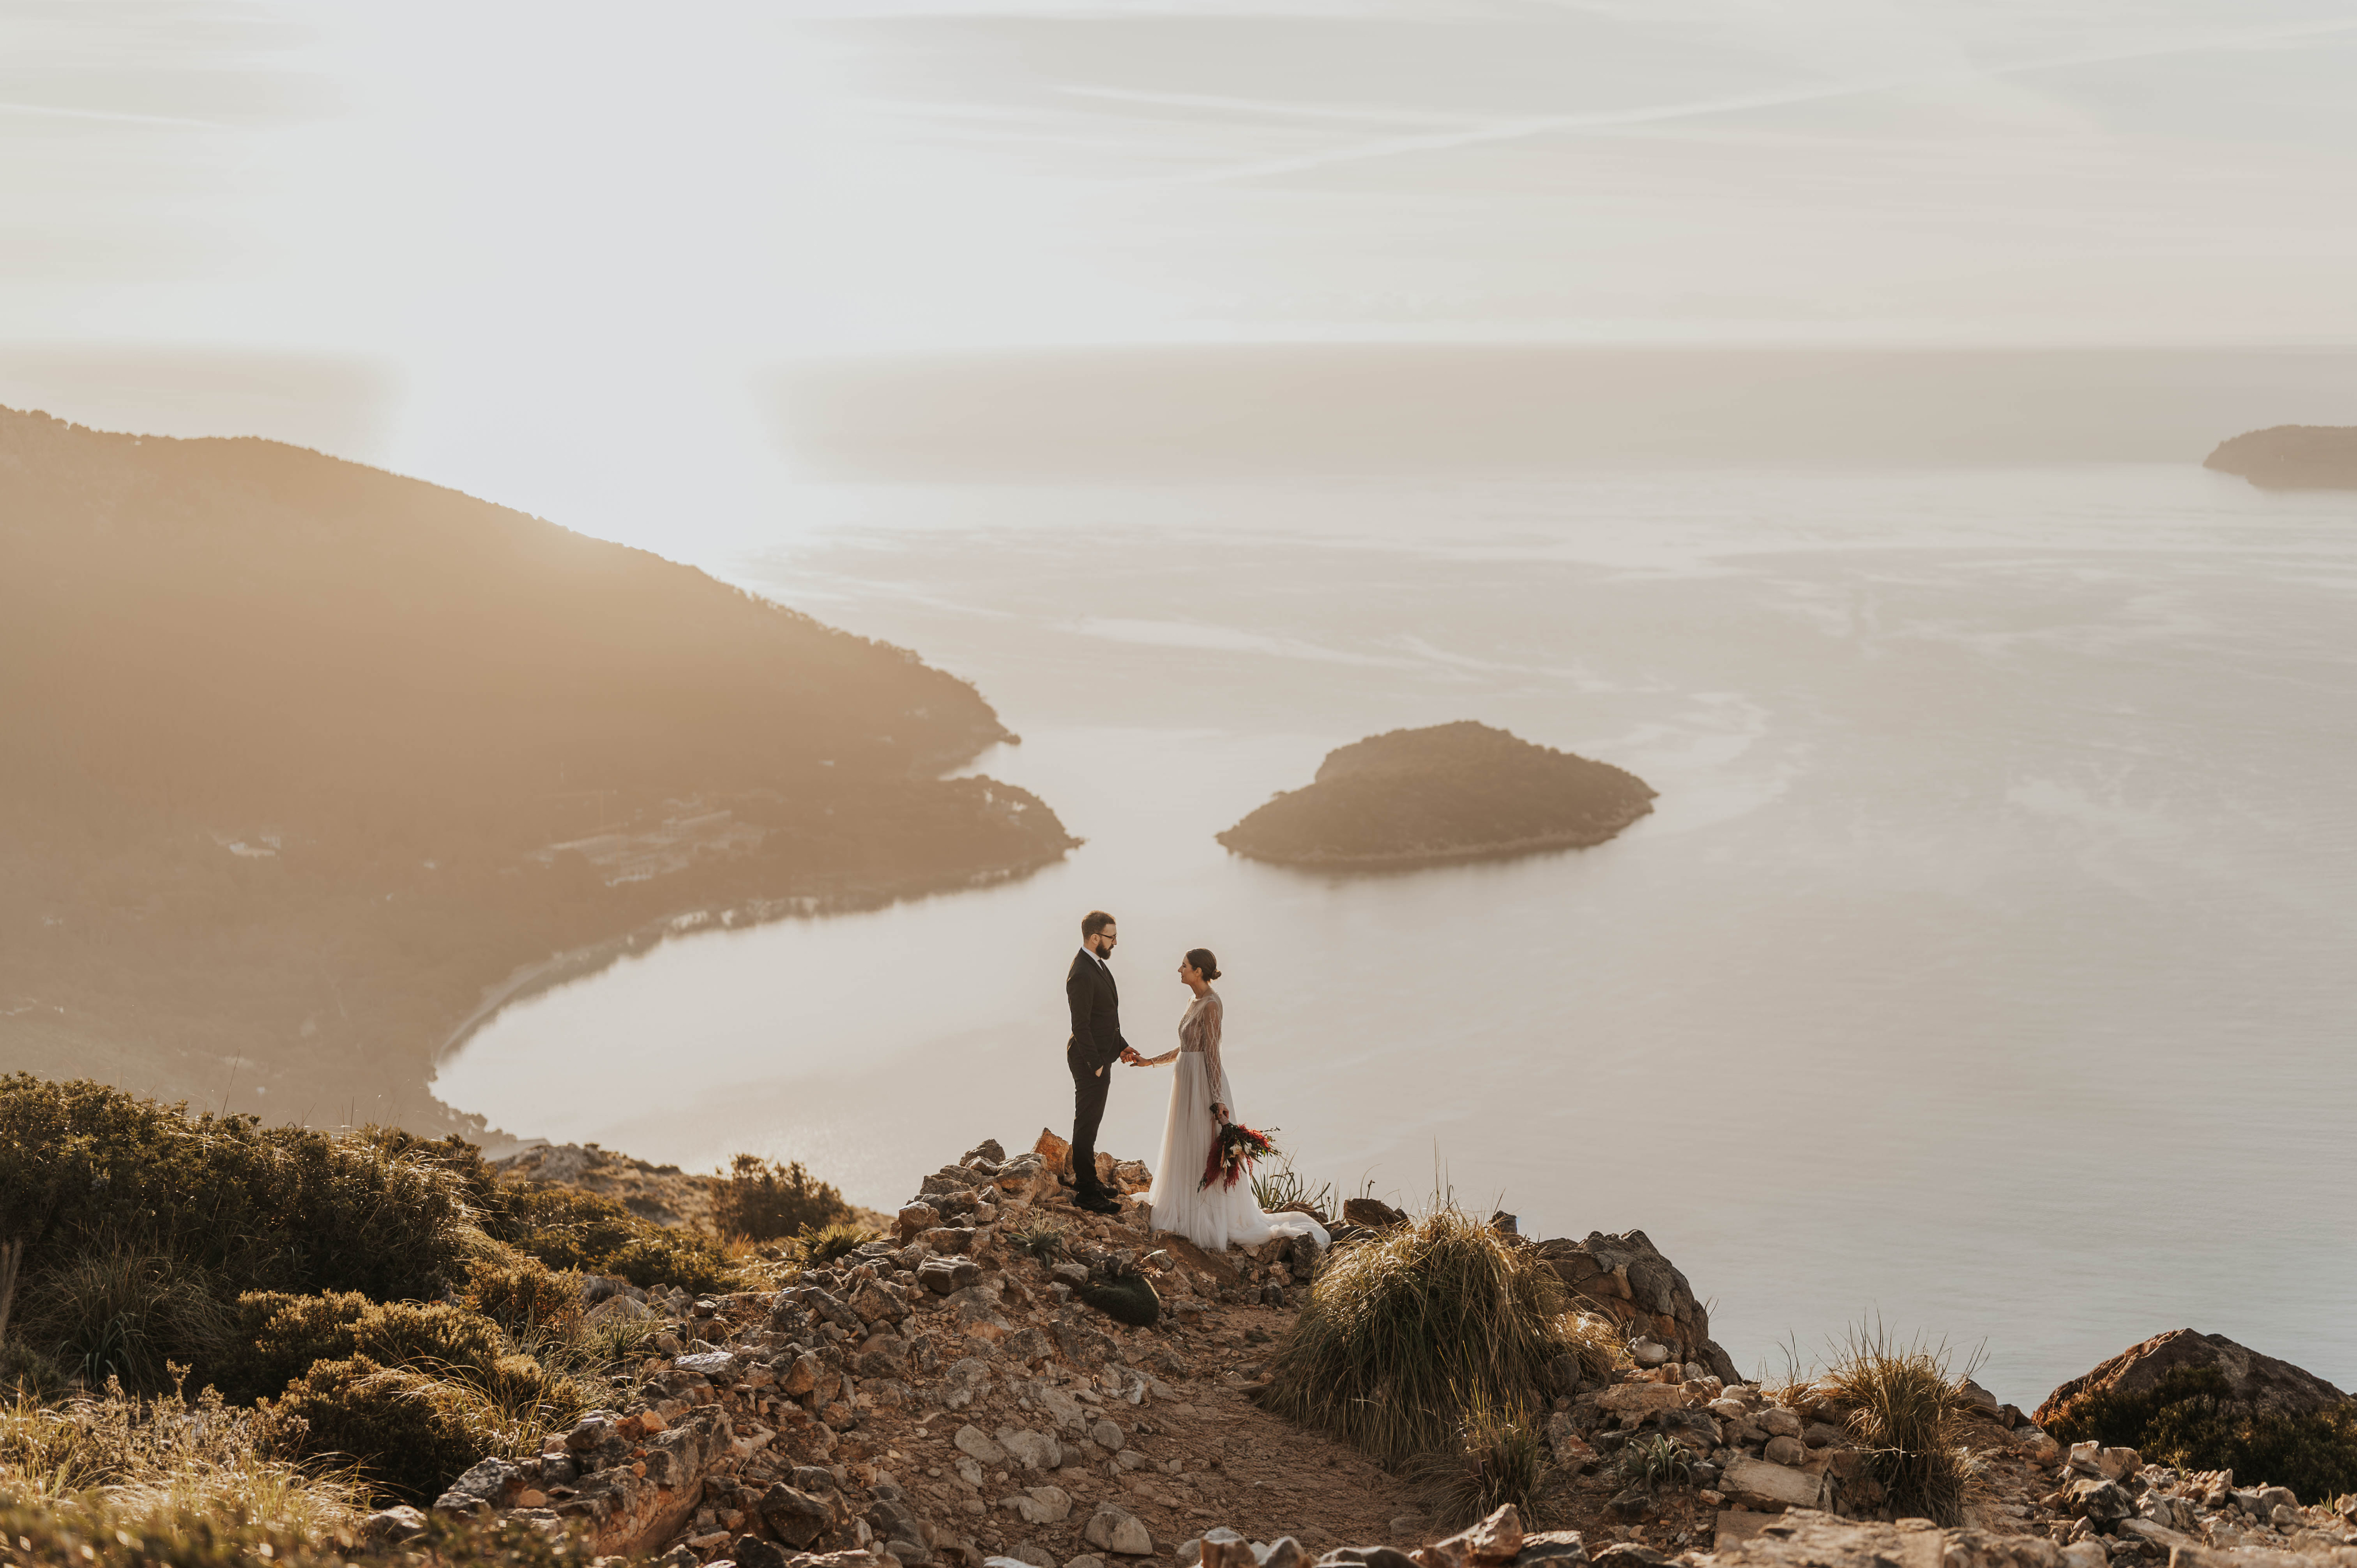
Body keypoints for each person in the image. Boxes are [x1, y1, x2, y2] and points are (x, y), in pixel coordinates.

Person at [1133, 947, 1329, 1253]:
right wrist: (1150, 1063)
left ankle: (1207, 1215)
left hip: (1203, 1086)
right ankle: (1183, 1204)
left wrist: (1218, 1100)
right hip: (1186, 1083)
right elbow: (1186, 1047)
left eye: (1184, 966)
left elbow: (1212, 1054)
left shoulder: (1212, 1005)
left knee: (1202, 1145)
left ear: (1198, 971)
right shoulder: (1193, 1001)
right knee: (1186, 1144)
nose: (1179, 969)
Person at [1065, 910, 1142, 1215]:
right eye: (1112, 937)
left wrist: (1121, 1046)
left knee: (1092, 1123)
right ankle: (1086, 1193)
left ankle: (1090, 1180)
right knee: (1086, 1125)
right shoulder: (1081, 972)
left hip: (1099, 1054)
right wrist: (1096, 1064)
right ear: (1095, 938)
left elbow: (1104, 1017)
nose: (1115, 943)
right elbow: (1081, 1024)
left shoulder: (1095, 964)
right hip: (1088, 1060)